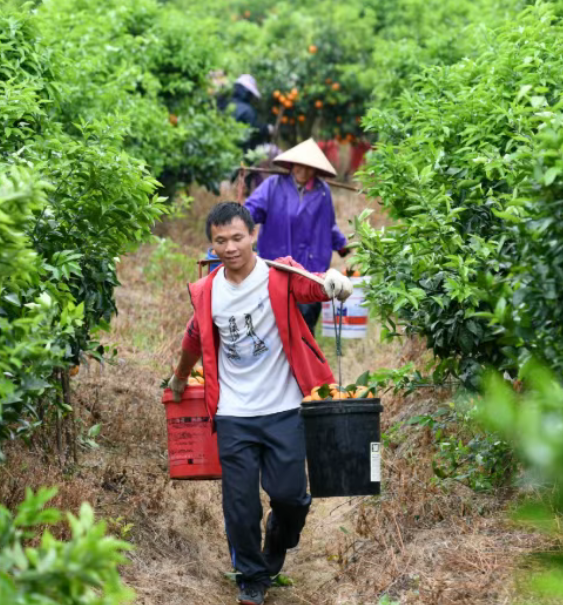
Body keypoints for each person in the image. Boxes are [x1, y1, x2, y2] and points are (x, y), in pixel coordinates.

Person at [167, 202, 353, 605]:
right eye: (221, 241)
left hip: (283, 407)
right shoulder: (207, 291)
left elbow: (314, 285)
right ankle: (251, 577)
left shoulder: (279, 275)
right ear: (211, 245)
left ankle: (279, 537)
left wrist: (333, 281)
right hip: (233, 413)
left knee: (290, 496)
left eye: (237, 237)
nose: (230, 247)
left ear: (253, 235)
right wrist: (181, 377)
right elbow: (194, 338)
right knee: (238, 505)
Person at [243, 138, 350, 335]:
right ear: (292, 165)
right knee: (272, 324)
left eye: (309, 167)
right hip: (276, 265)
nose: (303, 171)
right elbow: (251, 211)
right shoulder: (273, 186)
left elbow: (328, 224)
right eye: (299, 165)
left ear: (316, 170)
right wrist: (238, 222)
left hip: (310, 270)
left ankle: (302, 364)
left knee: (304, 328)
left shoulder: (322, 192)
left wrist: (341, 244)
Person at [218, 74, 270, 152]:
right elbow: (255, 129)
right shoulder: (248, 111)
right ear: (247, 93)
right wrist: (266, 129)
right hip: (237, 154)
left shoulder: (224, 103)